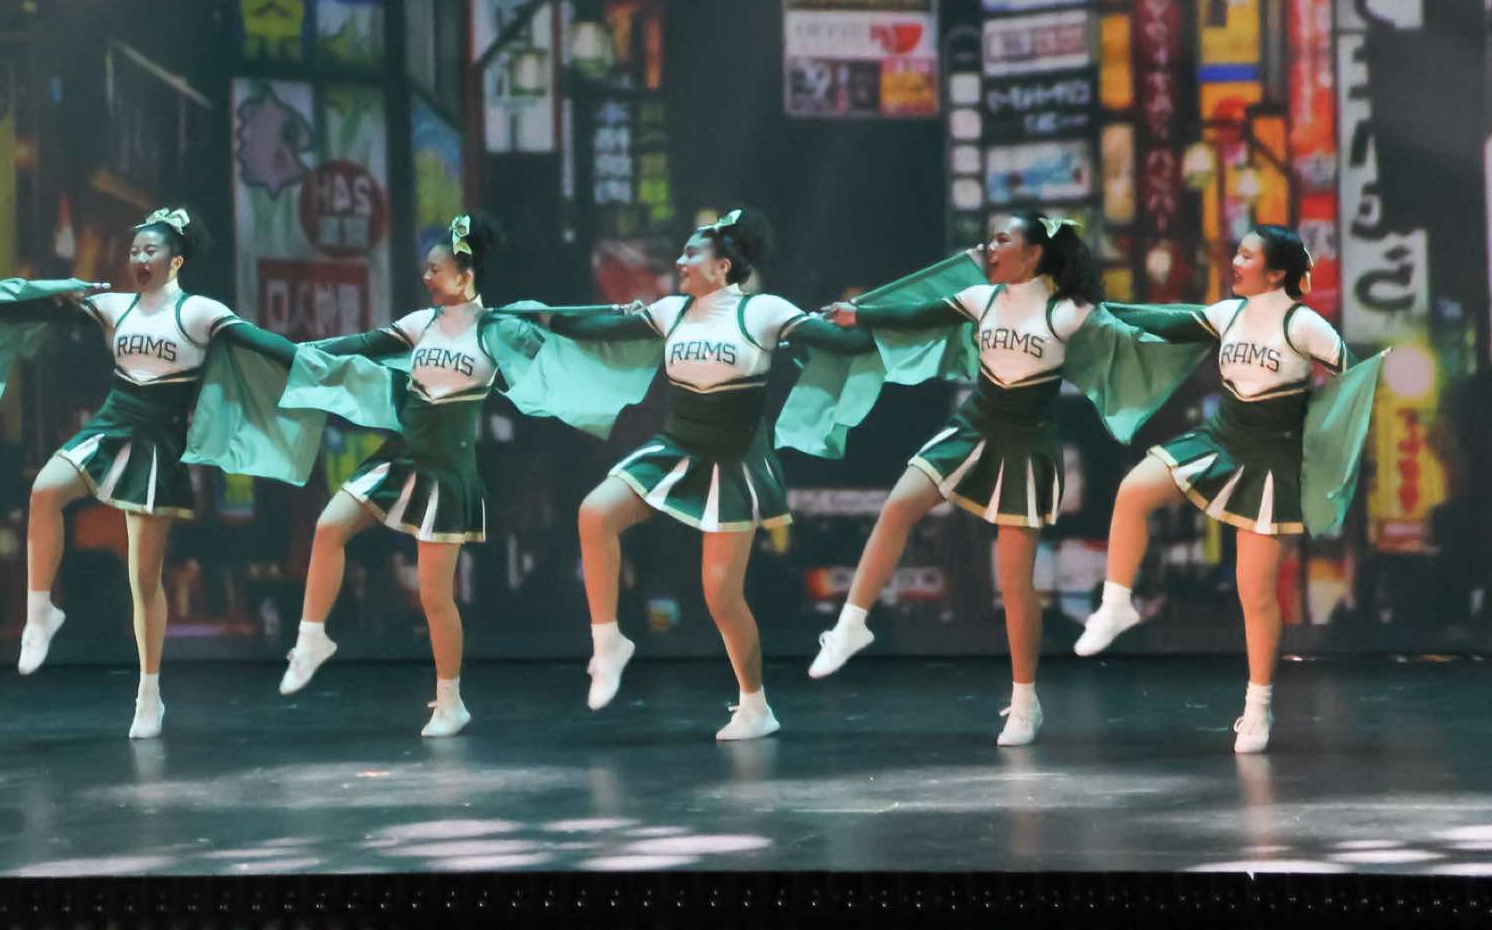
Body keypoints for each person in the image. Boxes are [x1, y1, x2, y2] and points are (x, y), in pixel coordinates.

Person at [547, 209, 863, 740]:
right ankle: (608, 642)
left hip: (734, 460)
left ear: (722, 266)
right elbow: (602, 327)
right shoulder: (670, 311)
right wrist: (544, 319)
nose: (679, 261)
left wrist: (862, 319)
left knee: (720, 595)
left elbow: (843, 344)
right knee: (595, 514)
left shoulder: (763, 311)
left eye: (691, 253)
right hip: (677, 448)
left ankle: (755, 705)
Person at [808, 210, 1106, 747]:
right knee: (898, 506)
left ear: (1033, 253)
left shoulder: (1068, 312)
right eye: (989, 239)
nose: (989, 248)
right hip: (973, 427)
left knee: (1014, 585)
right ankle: (851, 625)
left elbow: (1136, 328)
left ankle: (1025, 701)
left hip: (1025, 443)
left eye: (1002, 239)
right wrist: (860, 313)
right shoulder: (979, 299)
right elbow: (913, 314)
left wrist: (1211, 325)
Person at [1074, 226, 1374, 755]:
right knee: (1133, 491)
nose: (1235, 261)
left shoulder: (1303, 324)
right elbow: (1162, 321)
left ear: (1276, 273)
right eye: (1237, 252)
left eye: (1247, 255)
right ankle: (1117, 604)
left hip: (1269, 461)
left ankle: (1258, 706)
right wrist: (1096, 311)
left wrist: (1324, 447)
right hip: (1219, 441)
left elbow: (1353, 385)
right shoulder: (1226, 314)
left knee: (1254, 593)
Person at [14, 207, 305, 740]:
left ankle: (149, 693)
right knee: (44, 491)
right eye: (134, 251)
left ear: (176, 259)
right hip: (111, 426)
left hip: (158, 444)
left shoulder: (199, 312)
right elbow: (40, 301)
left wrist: (326, 361)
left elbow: (268, 347)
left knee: (143, 579)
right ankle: (40, 614)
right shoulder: (115, 305)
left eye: (150, 250)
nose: (139, 258)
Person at [277, 214, 507, 737]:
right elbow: (362, 344)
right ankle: (312, 638)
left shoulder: (495, 331)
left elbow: (561, 330)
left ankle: (450, 700)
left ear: (465, 274)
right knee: (329, 526)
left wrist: (620, 320)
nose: (426, 278)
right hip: (401, 457)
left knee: (434, 596)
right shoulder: (420, 324)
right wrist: (300, 354)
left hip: (448, 472)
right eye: (425, 269)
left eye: (435, 270)